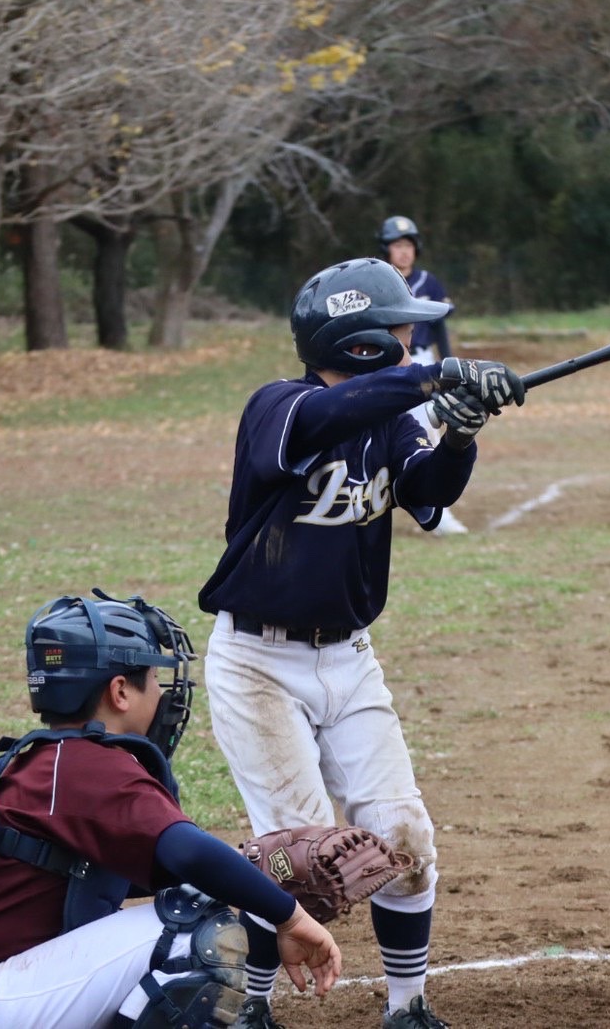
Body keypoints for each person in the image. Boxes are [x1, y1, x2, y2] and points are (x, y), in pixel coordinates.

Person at [197, 257, 526, 1029]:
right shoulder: (279, 408)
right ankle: (247, 1009)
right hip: (258, 667)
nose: (414, 335)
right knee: (304, 860)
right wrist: (434, 378)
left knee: (404, 836)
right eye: (401, 326)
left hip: (349, 660)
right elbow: (323, 423)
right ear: (363, 340)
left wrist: (461, 433)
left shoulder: (393, 416)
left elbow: (429, 493)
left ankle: (407, 1009)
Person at [0, 591, 341, 1029]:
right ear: (120, 691)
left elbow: (145, 870)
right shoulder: (87, 765)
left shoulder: (54, 760)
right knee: (191, 930)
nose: (164, 694)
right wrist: (291, 916)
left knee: (194, 900)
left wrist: (248, 868)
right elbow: (189, 858)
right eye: (155, 679)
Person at [378, 214, 468, 535]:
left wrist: (449, 365)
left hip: (424, 362)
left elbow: (440, 325)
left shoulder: (428, 282)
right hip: (390, 365)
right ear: (386, 249)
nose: (403, 252)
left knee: (427, 432)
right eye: (397, 245)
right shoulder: (380, 281)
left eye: (408, 245)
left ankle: (436, 510)